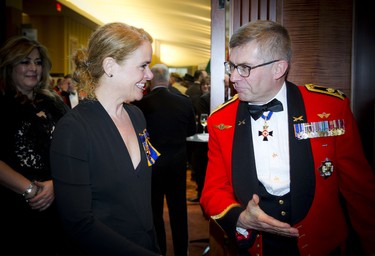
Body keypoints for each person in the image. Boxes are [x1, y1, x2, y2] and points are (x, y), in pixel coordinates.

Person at [200, 20, 375, 256]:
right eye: (231, 66)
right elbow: (213, 190)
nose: (233, 77)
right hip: (255, 248)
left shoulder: (329, 107)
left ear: (278, 68)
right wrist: (241, 217)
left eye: (244, 68)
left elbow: (360, 190)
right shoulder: (221, 120)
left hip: (321, 246)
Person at [49, 22, 162, 255]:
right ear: (110, 66)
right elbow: (79, 224)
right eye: (143, 66)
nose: (149, 75)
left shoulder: (137, 116)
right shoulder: (73, 130)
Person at [0, 36, 69, 255]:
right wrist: (31, 191)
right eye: (25, 61)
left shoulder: (54, 103)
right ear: (9, 66)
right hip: (19, 203)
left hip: (60, 198)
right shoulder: (3, 106)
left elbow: (74, 148)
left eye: (38, 62)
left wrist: (56, 184)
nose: (33, 68)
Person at [134, 63, 196, 256]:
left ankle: (158, 250)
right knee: (179, 211)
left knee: (155, 213)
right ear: (169, 79)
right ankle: (181, 251)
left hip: (151, 166)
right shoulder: (184, 102)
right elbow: (191, 133)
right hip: (177, 165)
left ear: (151, 79)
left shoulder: (141, 104)